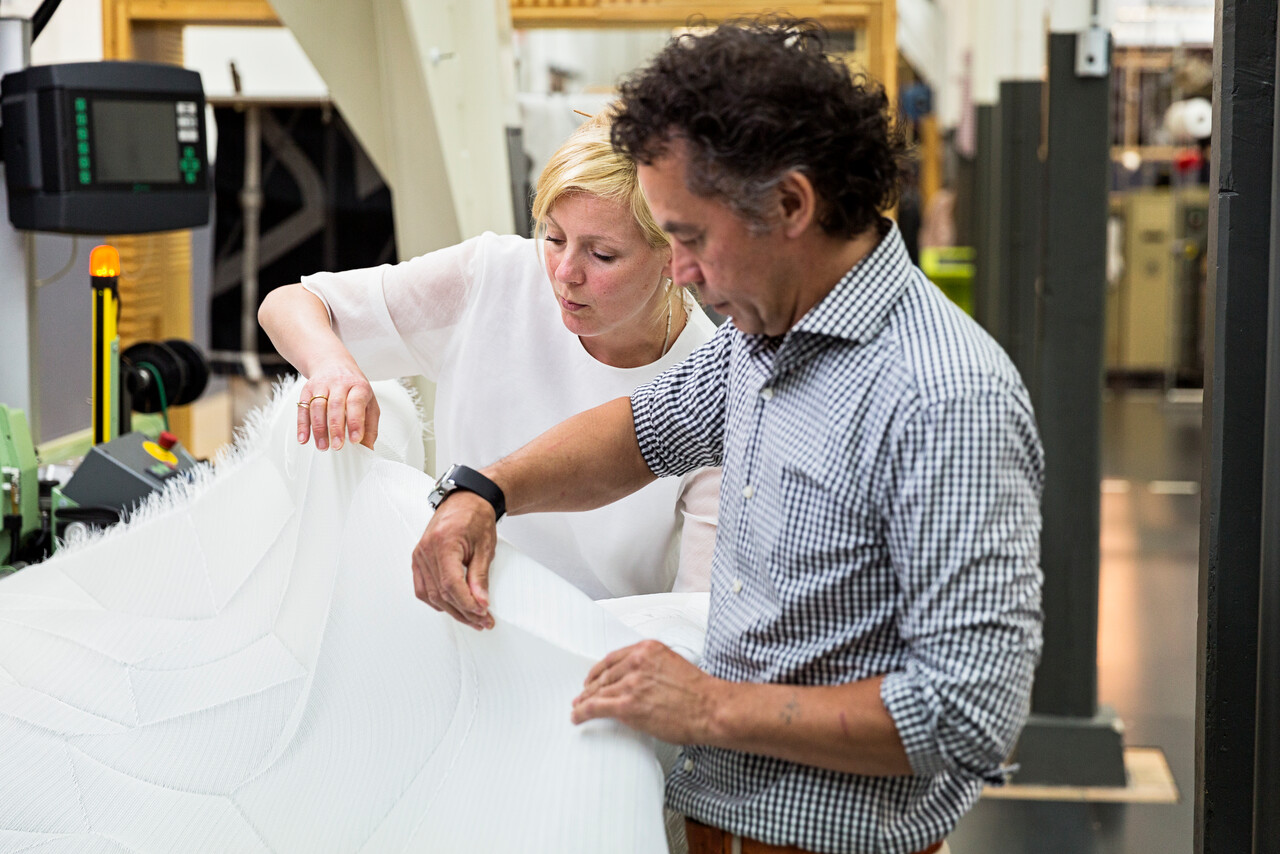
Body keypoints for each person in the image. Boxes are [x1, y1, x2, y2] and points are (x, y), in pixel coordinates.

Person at [414, 17, 1044, 854]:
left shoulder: (943, 399)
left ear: (790, 205)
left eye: (688, 236)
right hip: (718, 822)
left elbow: (970, 715)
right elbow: (642, 432)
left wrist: (709, 707)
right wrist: (484, 492)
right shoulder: (762, 338)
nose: (677, 271)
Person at [259, 112, 720, 605]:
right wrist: (333, 365)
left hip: (596, 645)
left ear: (676, 256)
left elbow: (695, 610)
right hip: (450, 604)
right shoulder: (495, 277)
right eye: (555, 236)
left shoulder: (712, 383)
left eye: (601, 255)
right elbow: (289, 303)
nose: (565, 272)